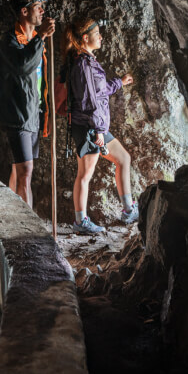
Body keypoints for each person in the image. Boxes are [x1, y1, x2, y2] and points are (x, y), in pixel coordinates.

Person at [61, 17, 139, 234]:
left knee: (123, 159)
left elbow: (100, 90)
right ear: (85, 38)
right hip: (90, 126)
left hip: (95, 126)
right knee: (85, 174)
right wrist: (97, 131)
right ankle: (80, 222)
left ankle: (128, 209)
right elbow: (88, 101)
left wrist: (119, 83)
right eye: (97, 33)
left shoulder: (87, 60)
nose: (101, 36)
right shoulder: (83, 63)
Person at [0, 0, 56, 207]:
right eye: (38, 7)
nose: (42, 11)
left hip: (32, 114)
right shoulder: (9, 40)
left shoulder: (34, 41)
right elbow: (23, 66)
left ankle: (13, 214)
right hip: (17, 114)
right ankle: (27, 227)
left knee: (18, 169)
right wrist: (42, 37)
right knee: (26, 171)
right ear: (24, 11)